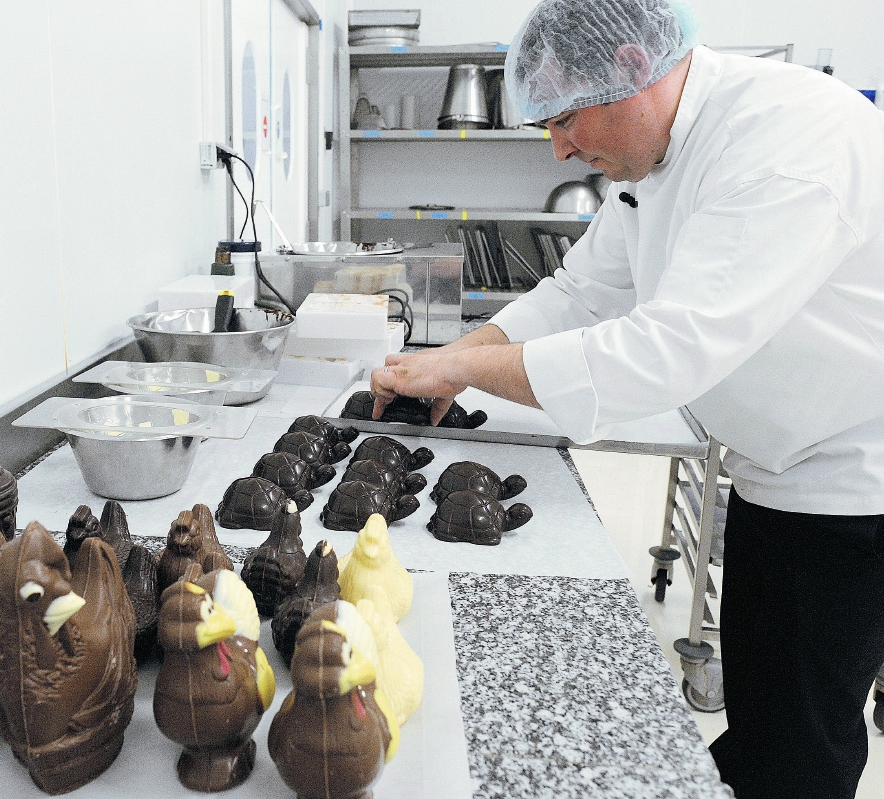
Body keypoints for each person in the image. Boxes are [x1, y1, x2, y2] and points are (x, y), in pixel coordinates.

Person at [370, 1, 884, 797]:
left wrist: (459, 373)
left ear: (634, 67)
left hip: (854, 486)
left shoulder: (788, 141)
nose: (559, 148)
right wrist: (451, 359)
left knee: (802, 745)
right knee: (764, 717)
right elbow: (579, 291)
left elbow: (663, 353)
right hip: (771, 470)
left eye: (566, 118)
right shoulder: (655, 152)